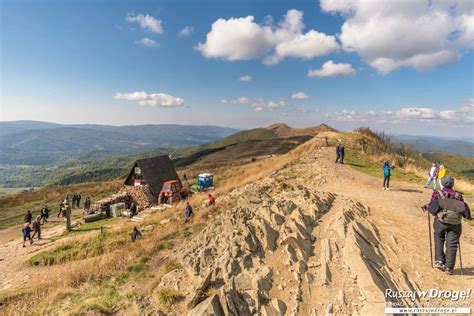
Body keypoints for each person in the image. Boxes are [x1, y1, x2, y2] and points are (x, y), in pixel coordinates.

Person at [424, 176, 472, 275]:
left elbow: (433, 208)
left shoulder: (438, 193)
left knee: (439, 238)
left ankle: (439, 261)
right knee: (452, 244)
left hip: (440, 222)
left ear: (442, 183)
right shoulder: (459, 196)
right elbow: (465, 211)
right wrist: (469, 217)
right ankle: (449, 268)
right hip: (455, 224)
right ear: (452, 184)